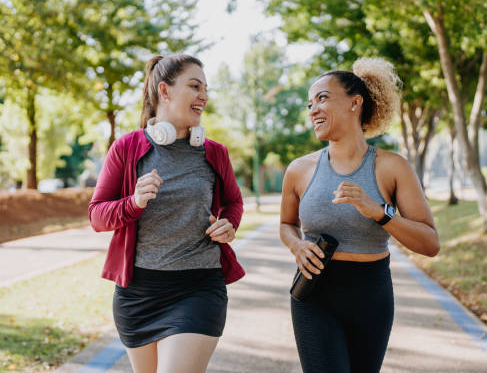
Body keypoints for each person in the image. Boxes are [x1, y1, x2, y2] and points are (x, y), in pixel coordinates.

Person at [280, 57, 440, 373]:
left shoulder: (392, 167)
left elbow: (430, 244)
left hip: (371, 296)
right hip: (315, 293)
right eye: (310, 103)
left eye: (322, 98)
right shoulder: (299, 170)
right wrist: (297, 246)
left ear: (355, 103)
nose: (312, 109)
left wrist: (379, 213)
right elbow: (286, 224)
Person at [88, 53, 245, 373]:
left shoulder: (215, 152)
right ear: (165, 90)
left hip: (199, 288)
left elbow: (233, 203)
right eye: (194, 86)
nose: (204, 95)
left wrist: (229, 224)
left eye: (206, 88)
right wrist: (133, 203)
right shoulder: (127, 148)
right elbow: (97, 216)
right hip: (138, 295)